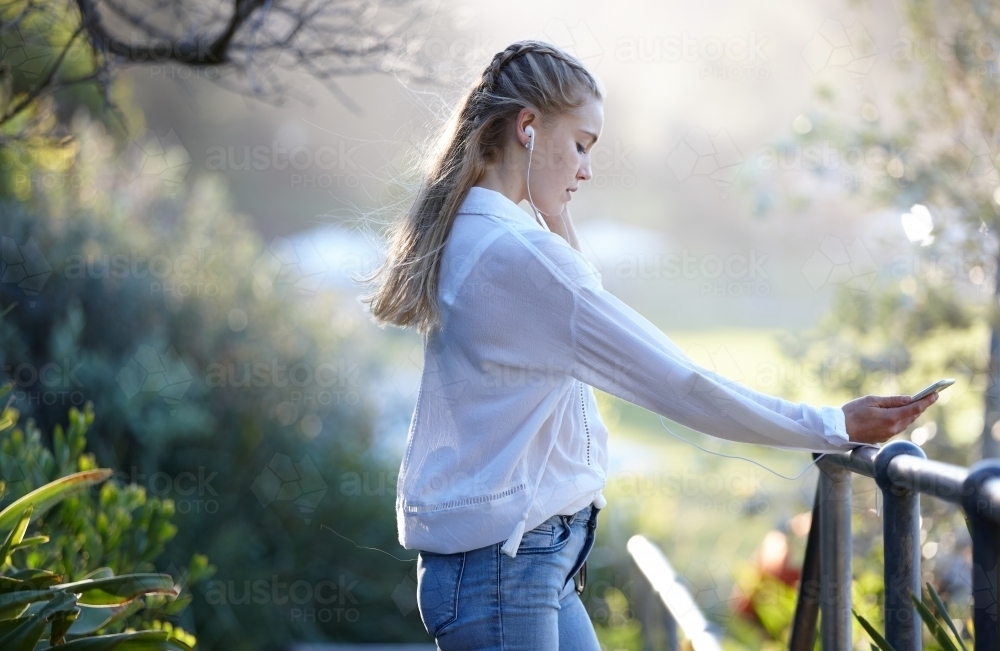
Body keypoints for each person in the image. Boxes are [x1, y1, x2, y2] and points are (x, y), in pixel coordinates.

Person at [360, 39, 938, 651]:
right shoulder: (518, 258)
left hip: (522, 563)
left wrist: (555, 216)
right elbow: (677, 382)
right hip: (505, 569)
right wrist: (828, 423)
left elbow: (576, 316)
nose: (586, 169)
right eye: (581, 145)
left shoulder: (483, 235)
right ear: (528, 127)